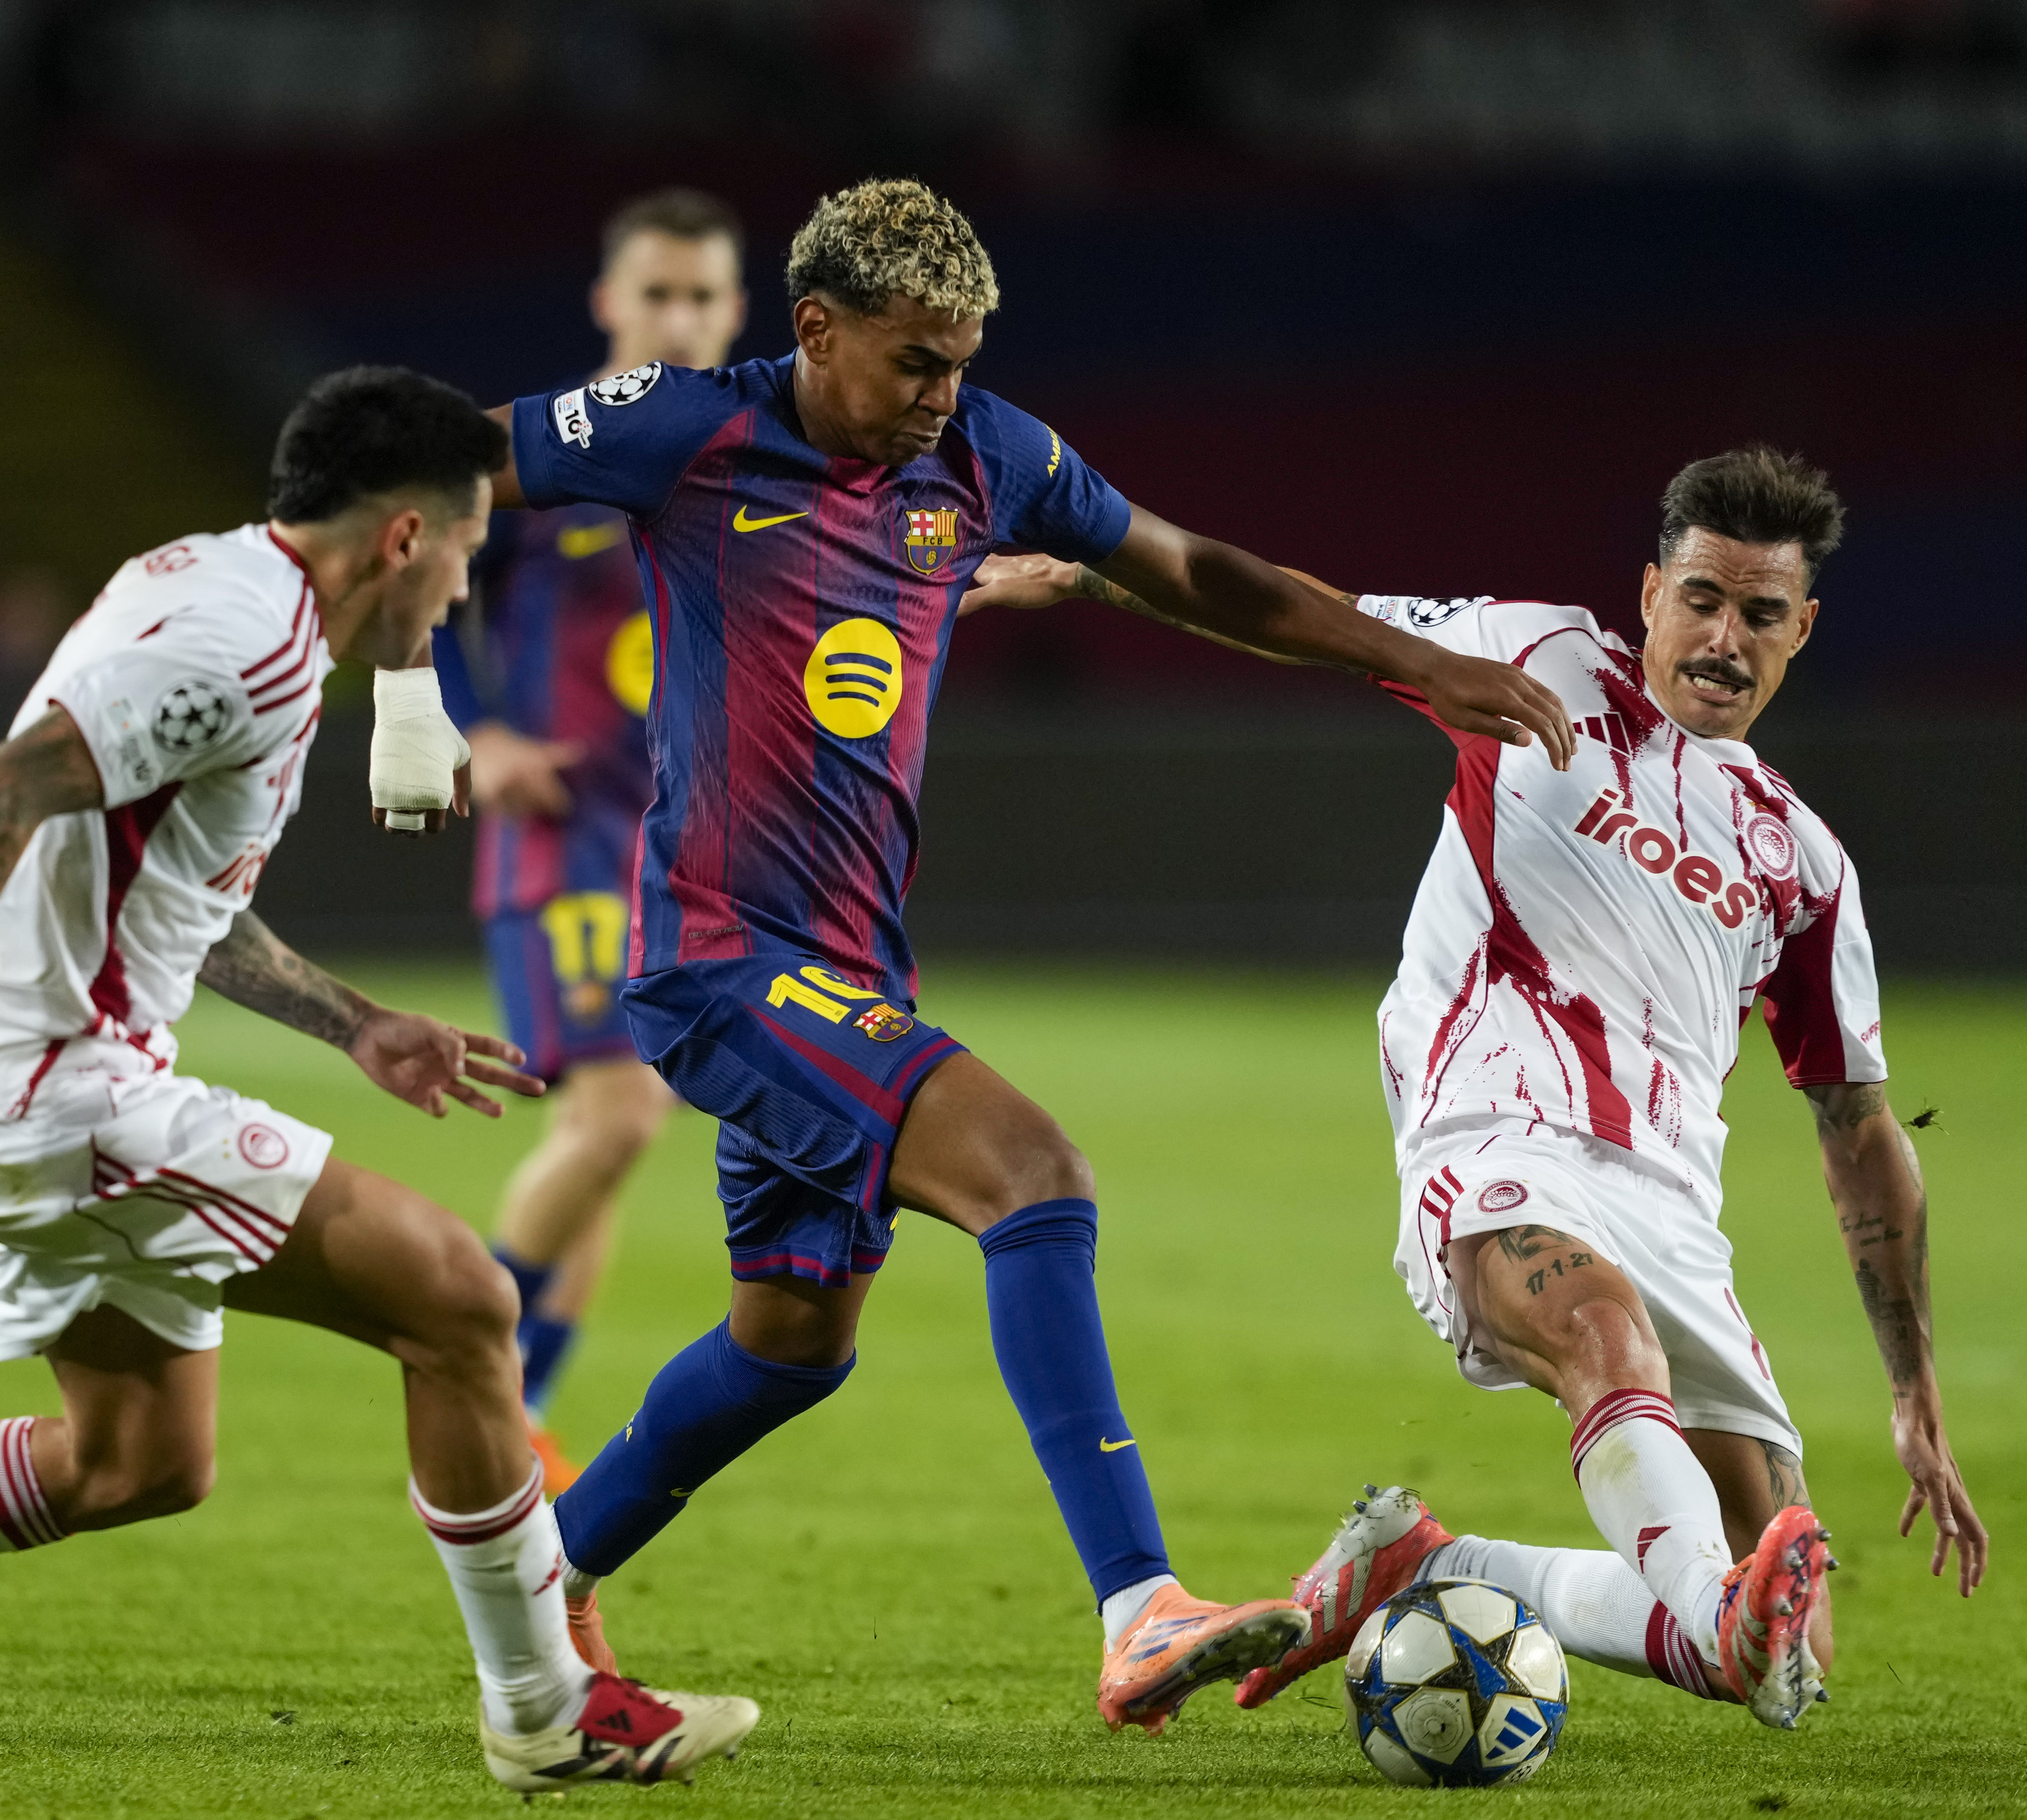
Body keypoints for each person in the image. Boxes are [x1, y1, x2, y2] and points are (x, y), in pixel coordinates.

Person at [367, 178, 1577, 1730]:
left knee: (790, 1346)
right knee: (1034, 1173)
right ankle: (1139, 1605)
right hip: (719, 960)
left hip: (850, 970)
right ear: (814, 330)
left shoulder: (987, 451)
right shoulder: (687, 430)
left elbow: (1192, 567)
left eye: (960, 361)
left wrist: (1414, 663)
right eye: (914, 360)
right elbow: (425, 463)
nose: (944, 394)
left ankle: (546, 1584)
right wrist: (410, 693)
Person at [0, 367, 761, 1791]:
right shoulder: (238, 645)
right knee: (463, 1301)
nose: (468, 586)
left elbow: (175, 885)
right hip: (61, 1086)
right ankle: (546, 1706)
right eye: (471, 549)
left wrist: (352, 1023)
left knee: (135, 1460)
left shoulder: (228, 593)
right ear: (407, 539)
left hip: (59, 1072)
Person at [974, 447, 1988, 1728]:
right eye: (1701, 598)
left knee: (1791, 1660)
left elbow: (1857, 1125)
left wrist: (1912, 1393)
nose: (1724, 637)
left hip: (1672, 1199)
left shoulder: (1803, 860)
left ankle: (1428, 1570)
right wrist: (1088, 570)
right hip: (1497, 1130)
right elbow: (1310, 609)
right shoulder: (1539, 659)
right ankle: (1700, 1606)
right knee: (1601, 1334)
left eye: (1761, 613)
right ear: (1648, 592)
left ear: (1802, 629)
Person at [432, 189, 747, 1488]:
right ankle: (468, 1377)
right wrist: (473, 733)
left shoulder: (746, 453)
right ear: (609, 304)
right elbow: (427, 585)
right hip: (562, 833)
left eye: (702, 297)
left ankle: (524, 1404)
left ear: (736, 313)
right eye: (655, 294)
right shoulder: (540, 453)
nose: (678, 319)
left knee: (623, 1131)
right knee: (615, 1118)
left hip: (683, 849)